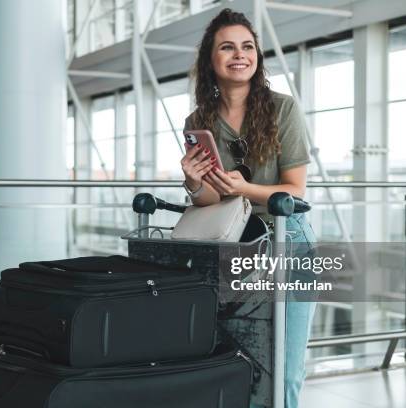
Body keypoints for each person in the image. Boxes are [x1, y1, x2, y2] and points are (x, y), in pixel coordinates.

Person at [180, 8, 317, 408]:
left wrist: (247, 188)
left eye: (247, 47)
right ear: (211, 59)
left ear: (257, 56)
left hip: (287, 243)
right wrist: (192, 182)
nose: (239, 55)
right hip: (235, 248)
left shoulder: (282, 109)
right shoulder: (198, 119)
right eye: (227, 47)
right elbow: (209, 199)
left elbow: (295, 190)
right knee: (242, 362)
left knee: (286, 368)